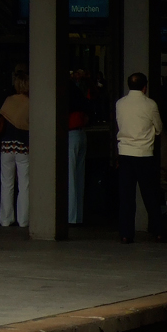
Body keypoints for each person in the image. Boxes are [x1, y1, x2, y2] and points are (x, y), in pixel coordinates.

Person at [115, 72, 164, 243]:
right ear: (145, 87)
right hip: (144, 154)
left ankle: (125, 234)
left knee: (126, 197)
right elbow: (158, 128)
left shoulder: (120, 104)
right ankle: (158, 231)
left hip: (125, 153)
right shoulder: (150, 105)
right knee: (150, 195)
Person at [0, 70, 30, 227]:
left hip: (6, 146)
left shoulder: (8, 100)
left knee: (6, 182)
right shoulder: (31, 103)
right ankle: (23, 220)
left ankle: (5, 218)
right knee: (24, 184)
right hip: (23, 146)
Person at [68, 73, 91, 225]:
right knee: (78, 178)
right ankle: (77, 216)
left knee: (69, 178)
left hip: (70, 134)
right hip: (81, 133)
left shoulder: (66, 94)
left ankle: (70, 217)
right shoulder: (81, 94)